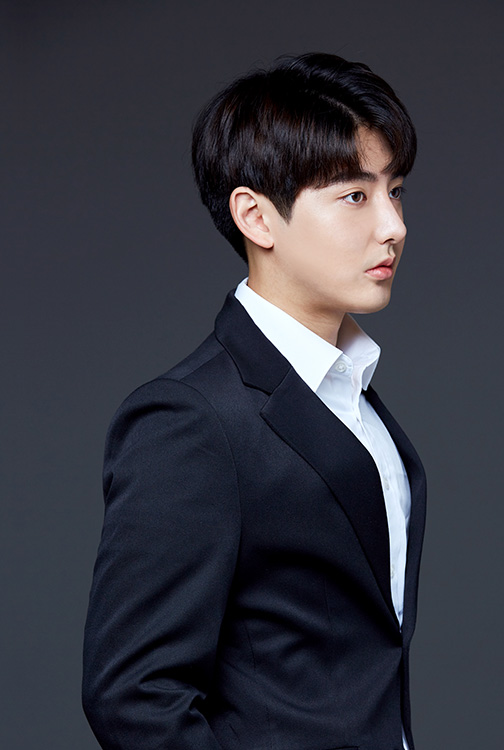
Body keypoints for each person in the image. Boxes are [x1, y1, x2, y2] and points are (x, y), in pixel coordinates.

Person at [83, 52, 427, 750]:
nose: (392, 225)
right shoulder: (190, 420)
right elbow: (134, 697)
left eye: (395, 191)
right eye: (355, 196)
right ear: (256, 217)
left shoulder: (356, 398)